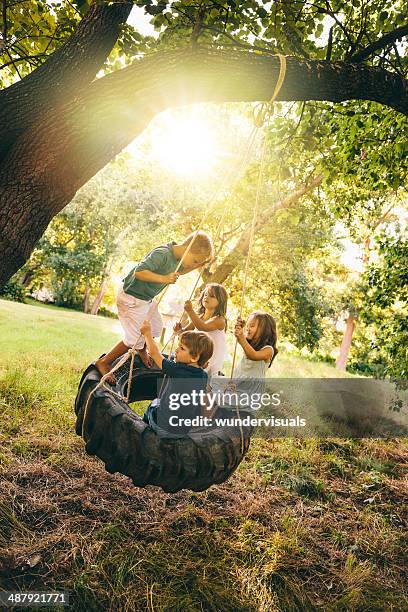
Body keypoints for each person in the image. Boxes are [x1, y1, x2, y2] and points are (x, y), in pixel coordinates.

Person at [95, 231, 214, 384]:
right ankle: (104, 362)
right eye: (195, 260)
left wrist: (201, 263)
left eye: (198, 264)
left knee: (156, 328)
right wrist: (164, 279)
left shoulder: (180, 262)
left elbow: (189, 266)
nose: (194, 266)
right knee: (134, 338)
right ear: (187, 247)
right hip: (131, 297)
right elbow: (139, 272)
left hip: (146, 300)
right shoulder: (162, 254)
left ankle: (142, 350)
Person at [140, 320, 214, 437]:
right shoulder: (203, 376)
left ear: (194, 357)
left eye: (182, 348)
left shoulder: (177, 370)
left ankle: (143, 428)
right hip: (182, 431)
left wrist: (147, 333)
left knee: (154, 404)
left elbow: (154, 353)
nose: (176, 350)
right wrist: (201, 363)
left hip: (163, 428)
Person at [210, 311, 278, 414]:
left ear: (265, 331)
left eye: (252, 326)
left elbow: (254, 355)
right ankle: (209, 418)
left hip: (247, 392)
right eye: (247, 326)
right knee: (212, 381)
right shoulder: (249, 345)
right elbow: (243, 341)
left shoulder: (268, 350)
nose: (247, 328)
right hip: (237, 385)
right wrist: (240, 329)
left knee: (212, 395)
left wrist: (241, 338)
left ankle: (207, 420)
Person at [174, 283, 228, 379]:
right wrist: (179, 331)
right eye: (206, 294)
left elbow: (202, 327)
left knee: (207, 381)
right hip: (199, 356)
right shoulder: (200, 317)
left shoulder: (220, 320)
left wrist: (190, 311)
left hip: (211, 358)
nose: (207, 297)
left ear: (220, 301)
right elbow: (185, 334)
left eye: (212, 296)